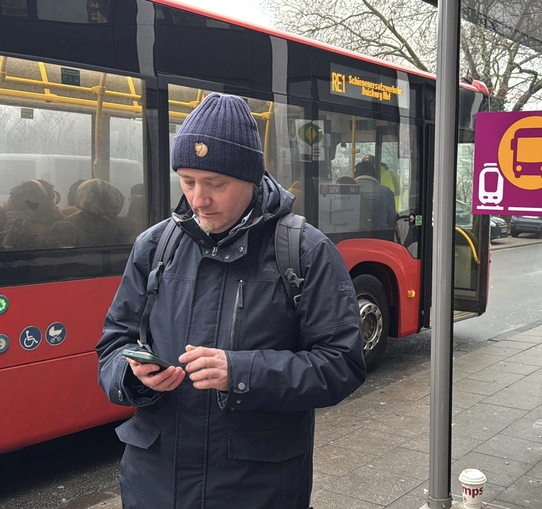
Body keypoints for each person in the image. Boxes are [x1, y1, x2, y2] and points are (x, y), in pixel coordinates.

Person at [95, 93, 366, 509]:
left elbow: (342, 363)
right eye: (187, 181)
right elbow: (113, 345)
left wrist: (241, 372)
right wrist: (133, 377)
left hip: (256, 488)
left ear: (251, 177)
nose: (198, 199)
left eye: (215, 184)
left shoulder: (305, 250)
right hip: (154, 485)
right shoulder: (154, 245)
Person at [354, 159, 397, 230]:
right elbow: (391, 220)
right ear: (375, 174)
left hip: (350, 238)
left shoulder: (348, 191)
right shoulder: (386, 192)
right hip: (380, 237)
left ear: (355, 174)